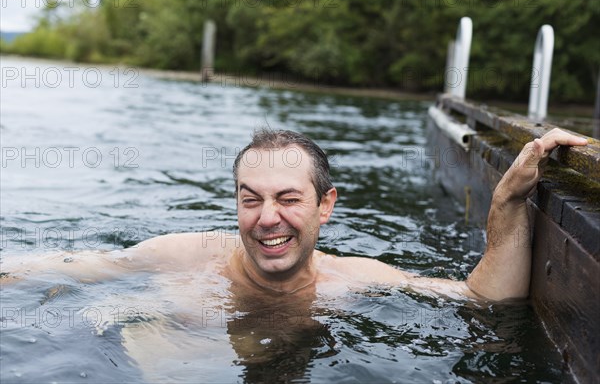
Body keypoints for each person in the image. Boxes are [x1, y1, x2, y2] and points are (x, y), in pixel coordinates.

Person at [0, 128, 588, 302]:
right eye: (250, 199)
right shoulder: (180, 256)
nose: (267, 218)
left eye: (287, 199)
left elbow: (484, 298)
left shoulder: (351, 280)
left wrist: (508, 199)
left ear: (326, 206)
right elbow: (58, 266)